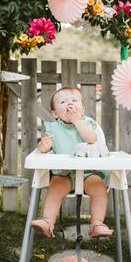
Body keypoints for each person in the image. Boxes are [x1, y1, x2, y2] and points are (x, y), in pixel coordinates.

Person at [31, 87, 113, 238]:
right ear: (55, 113)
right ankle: (47, 222)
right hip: (64, 174)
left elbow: (91, 139)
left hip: (89, 173)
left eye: (75, 101)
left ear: (82, 108)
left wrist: (77, 120)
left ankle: (96, 223)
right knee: (55, 186)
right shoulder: (53, 128)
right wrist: (43, 146)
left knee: (99, 188)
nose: (70, 104)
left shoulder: (88, 123)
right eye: (63, 102)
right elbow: (45, 151)